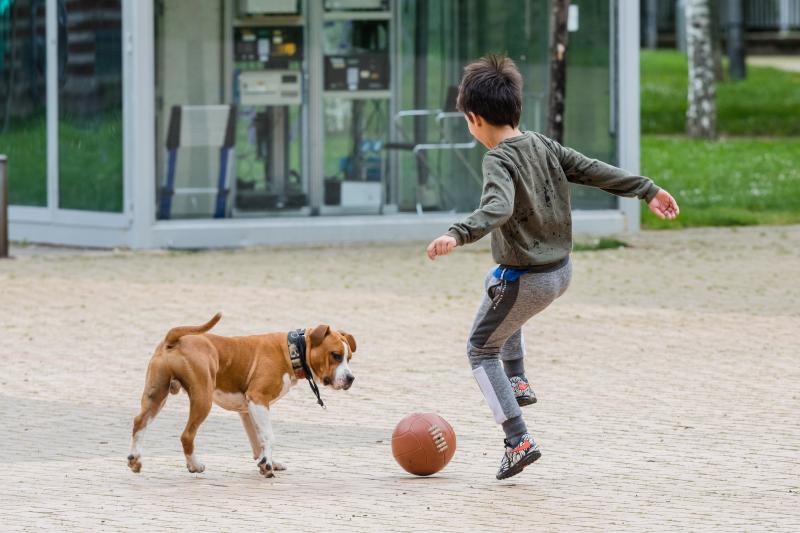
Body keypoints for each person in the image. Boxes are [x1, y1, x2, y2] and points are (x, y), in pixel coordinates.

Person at [425, 55, 679, 480]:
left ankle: (517, 440)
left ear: (474, 119)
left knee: (480, 348)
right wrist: (646, 189)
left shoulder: (497, 160)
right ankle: (518, 380)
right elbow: (592, 169)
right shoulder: (542, 144)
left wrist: (458, 233)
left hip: (526, 280)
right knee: (494, 286)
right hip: (559, 272)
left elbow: (498, 207)